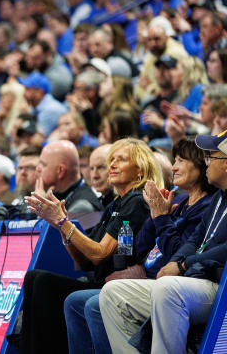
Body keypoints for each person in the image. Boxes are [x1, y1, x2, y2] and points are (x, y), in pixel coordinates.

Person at [65, 137, 213, 354]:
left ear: (201, 166)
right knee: (74, 300)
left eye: (181, 161)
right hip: (150, 279)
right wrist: (155, 216)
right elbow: (138, 249)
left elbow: (178, 255)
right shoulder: (179, 204)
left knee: (92, 303)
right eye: (175, 160)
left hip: (172, 285)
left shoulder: (206, 206)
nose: (174, 167)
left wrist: (161, 218)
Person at [17, 138, 161, 354]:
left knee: (47, 285)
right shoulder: (116, 203)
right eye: (111, 159)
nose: (111, 165)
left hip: (117, 287)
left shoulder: (137, 202)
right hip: (100, 280)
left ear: (140, 171)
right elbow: (83, 261)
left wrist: (63, 223)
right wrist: (59, 225)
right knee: (35, 278)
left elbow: (99, 254)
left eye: (120, 160)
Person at [100, 132, 227, 353]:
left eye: (211, 157)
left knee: (167, 289)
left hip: (216, 283)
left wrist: (181, 264)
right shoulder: (217, 198)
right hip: (187, 278)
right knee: (112, 293)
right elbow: (195, 239)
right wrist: (176, 260)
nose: (207, 162)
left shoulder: (206, 201)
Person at [36, 140, 102, 214]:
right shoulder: (55, 193)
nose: (38, 169)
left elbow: (59, 225)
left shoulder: (83, 207)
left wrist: (40, 208)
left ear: (60, 171)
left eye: (43, 165)